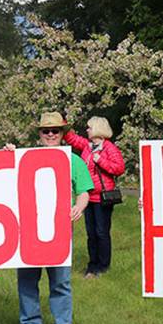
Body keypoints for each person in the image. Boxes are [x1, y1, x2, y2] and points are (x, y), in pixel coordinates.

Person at [6, 112, 93, 324]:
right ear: (40, 134)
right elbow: (3, 178)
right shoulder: (25, 157)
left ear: (63, 133)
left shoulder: (74, 161)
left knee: (60, 282)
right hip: (27, 231)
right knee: (27, 280)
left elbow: (84, 191)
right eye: (46, 131)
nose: (51, 134)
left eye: (56, 130)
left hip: (59, 232)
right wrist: (7, 156)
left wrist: (79, 207)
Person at [63, 116, 125, 278]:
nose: (87, 130)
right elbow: (72, 139)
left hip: (103, 198)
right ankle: (92, 265)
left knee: (101, 232)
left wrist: (101, 160)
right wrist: (62, 124)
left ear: (97, 129)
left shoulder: (109, 148)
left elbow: (119, 168)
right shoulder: (88, 146)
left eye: (89, 127)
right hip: (88, 198)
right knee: (91, 234)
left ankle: (103, 266)